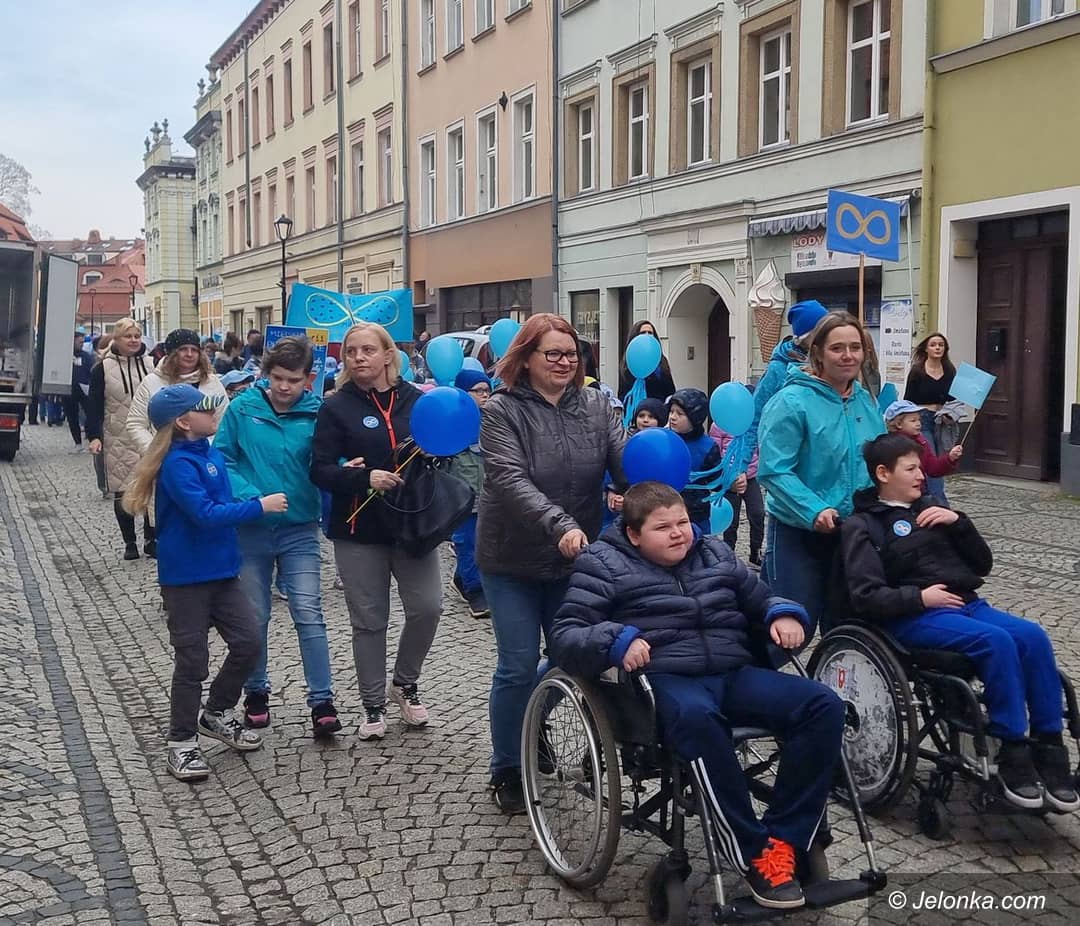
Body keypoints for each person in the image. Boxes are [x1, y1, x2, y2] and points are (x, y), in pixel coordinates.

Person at [551, 481, 843, 910]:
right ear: (633, 534)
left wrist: (781, 614)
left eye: (683, 522)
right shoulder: (602, 564)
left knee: (823, 705)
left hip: (733, 672)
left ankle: (783, 842)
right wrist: (617, 640)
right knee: (698, 719)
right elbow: (565, 635)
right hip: (665, 680)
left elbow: (762, 599)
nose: (678, 534)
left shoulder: (714, 553)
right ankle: (751, 853)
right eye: (663, 527)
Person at [840, 434, 1078, 813]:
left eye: (921, 468)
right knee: (996, 641)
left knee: (1033, 636)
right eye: (911, 469)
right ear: (883, 474)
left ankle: (1050, 747)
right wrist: (920, 597)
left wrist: (958, 523)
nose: (922, 475)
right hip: (914, 617)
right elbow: (865, 595)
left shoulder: (934, 510)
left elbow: (982, 564)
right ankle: (1012, 749)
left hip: (967, 605)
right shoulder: (863, 525)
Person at [476, 312, 626, 814]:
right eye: (553, 354)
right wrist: (560, 525)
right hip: (511, 557)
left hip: (574, 558)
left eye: (572, 354)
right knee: (517, 664)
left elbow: (625, 463)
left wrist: (654, 500)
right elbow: (509, 479)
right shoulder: (502, 410)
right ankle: (506, 767)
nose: (565, 362)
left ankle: (533, 714)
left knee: (572, 655)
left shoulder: (598, 406)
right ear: (526, 358)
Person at [121, 383, 287, 781]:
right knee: (192, 662)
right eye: (205, 408)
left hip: (222, 572)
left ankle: (215, 712)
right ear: (183, 422)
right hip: (186, 579)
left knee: (249, 642)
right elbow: (206, 514)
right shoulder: (178, 464)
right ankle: (181, 743)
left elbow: (221, 504)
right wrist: (258, 507)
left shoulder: (209, 453)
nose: (214, 411)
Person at [310, 321, 441, 741]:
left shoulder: (416, 401)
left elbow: (442, 451)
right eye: (351, 352)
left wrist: (437, 457)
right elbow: (319, 470)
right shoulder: (335, 407)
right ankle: (372, 704)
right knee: (369, 620)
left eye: (367, 350)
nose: (358, 358)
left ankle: (404, 682)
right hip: (358, 528)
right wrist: (362, 478)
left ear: (388, 355)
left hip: (412, 524)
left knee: (428, 607)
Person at [215, 336, 342, 737]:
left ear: (309, 379)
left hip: (300, 528)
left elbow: (328, 458)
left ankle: (322, 701)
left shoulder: (318, 412)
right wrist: (252, 498)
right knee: (255, 616)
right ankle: (256, 692)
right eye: (278, 378)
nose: (285, 386)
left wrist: (346, 467)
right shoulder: (243, 408)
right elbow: (223, 459)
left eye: (294, 379)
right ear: (265, 374)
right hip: (251, 528)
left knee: (308, 611)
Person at [757, 312, 884, 641]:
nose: (848, 356)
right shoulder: (791, 402)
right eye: (837, 348)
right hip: (799, 532)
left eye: (855, 347)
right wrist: (814, 510)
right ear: (818, 353)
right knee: (791, 629)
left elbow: (879, 461)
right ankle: (754, 670)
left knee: (847, 627)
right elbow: (774, 470)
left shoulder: (865, 401)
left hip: (853, 532)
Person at [85, 318, 156, 560]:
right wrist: (94, 436)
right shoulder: (102, 368)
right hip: (117, 436)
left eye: (137, 336)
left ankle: (151, 539)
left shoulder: (151, 364)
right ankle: (130, 542)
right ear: (117, 339)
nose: (133, 340)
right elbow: (94, 405)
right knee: (123, 489)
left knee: (152, 489)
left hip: (149, 434)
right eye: (128, 336)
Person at [740, 301, 828, 473]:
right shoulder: (778, 370)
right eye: (822, 331)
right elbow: (755, 417)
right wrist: (741, 467)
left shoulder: (828, 364)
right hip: (787, 462)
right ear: (806, 336)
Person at [126, 328, 228, 455]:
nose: (189, 354)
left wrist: (208, 450)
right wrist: (155, 452)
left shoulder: (211, 382)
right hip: (162, 457)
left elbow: (223, 421)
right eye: (183, 349)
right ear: (172, 353)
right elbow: (136, 423)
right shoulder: (151, 382)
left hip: (204, 455)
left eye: (194, 350)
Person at [447, 367, 491, 618]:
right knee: (466, 542)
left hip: (489, 493)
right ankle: (476, 591)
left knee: (482, 543)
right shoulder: (453, 420)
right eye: (478, 391)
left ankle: (461, 578)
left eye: (487, 390)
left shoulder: (492, 419)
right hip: (463, 494)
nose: (484, 395)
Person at [904, 332, 957, 502]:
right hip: (923, 419)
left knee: (941, 460)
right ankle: (938, 502)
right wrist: (910, 421)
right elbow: (908, 400)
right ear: (926, 349)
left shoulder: (949, 370)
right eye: (933, 345)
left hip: (942, 420)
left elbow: (953, 398)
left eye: (941, 345)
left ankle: (926, 497)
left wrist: (951, 413)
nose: (937, 348)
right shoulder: (917, 371)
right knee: (930, 457)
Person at [667, 388, 723, 535]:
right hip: (666, 511)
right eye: (671, 412)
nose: (673, 417)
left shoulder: (708, 447)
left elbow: (717, 482)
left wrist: (732, 481)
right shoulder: (663, 439)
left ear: (695, 417)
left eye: (680, 414)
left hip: (697, 516)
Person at [711, 419, 764, 569]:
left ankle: (755, 553)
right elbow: (715, 454)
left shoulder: (752, 423)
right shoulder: (718, 425)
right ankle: (730, 556)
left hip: (750, 476)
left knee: (758, 513)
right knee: (731, 519)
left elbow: (758, 447)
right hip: (729, 479)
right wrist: (727, 475)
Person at [883, 399, 961, 488]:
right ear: (898, 424)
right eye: (913, 421)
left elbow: (932, 467)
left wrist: (950, 458)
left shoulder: (921, 441)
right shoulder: (892, 445)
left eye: (919, 420)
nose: (918, 424)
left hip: (920, 490)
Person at [618, 320, 676, 402]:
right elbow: (622, 392)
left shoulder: (661, 360)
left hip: (657, 406)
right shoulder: (628, 360)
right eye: (643, 332)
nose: (647, 335)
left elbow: (670, 390)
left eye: (650, 333)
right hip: (635, 407)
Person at [66, 330, 93, 451]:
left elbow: (91, 372)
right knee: (72, 417)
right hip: (69, 391)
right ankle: (78, 443)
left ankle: (92, 439)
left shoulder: (86, 356)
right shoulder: (65, 355)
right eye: (79, 342)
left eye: (82, 342)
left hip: (84, 391)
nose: (81, 344)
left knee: (91, 415)